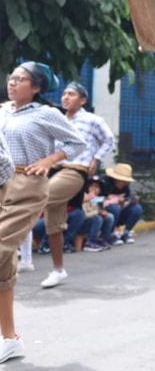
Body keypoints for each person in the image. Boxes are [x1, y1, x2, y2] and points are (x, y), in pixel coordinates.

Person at [0, 62, 86, 363]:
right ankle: (9, 339)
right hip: (1, 182)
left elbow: (77, 142)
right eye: (11, 78)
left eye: (20, 79)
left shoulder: (45, 113)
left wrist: (50, 161)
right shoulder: (2, 110)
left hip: (27, 184)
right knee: (3, 265)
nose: (12, 83)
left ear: (36, 87)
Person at [40, 81, 115, 288]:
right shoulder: (58, 120)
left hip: (75, 171)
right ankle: (58, 270)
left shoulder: (92, 120)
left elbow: (108, 140)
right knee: (53, 224)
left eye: (71, 94)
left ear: (83, 100)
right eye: (64, 94)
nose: (65, 97)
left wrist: (96, 159)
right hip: (55, 170)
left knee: (38, 196)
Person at [102, 164, 142, 243]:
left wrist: (131, 201)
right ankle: (111, 233)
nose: (124, 183)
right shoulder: (104, 183)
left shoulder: (125, 187)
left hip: (121, 211)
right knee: (115, 208)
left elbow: (127, 197)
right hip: (106, 211)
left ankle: (126, 232)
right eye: (122, 181)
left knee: (137, 208)